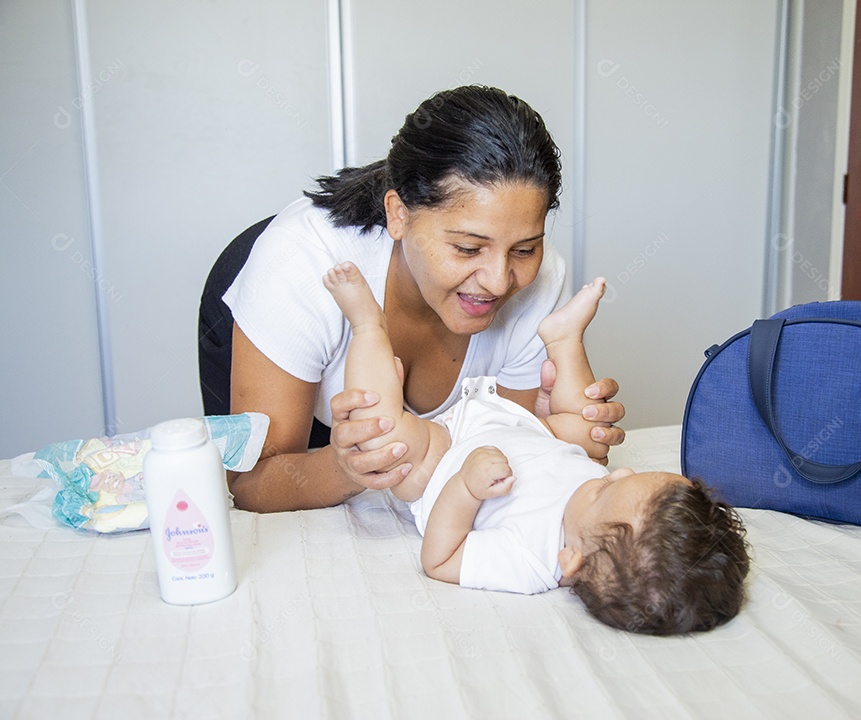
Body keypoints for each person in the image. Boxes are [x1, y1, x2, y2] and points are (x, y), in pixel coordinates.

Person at [219, 86, 625, 512]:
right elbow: (250, 485)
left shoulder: (539, 280)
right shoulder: (298, 264)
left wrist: (544, 428)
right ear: (398, 214)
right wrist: (346, 469)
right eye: (468, 249)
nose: (498, 282)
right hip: (309, 435)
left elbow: (494, 459)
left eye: (524, 249)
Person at [324, 263, 750, 635]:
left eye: (604, 490)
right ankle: (564, 339)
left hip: (441, 458)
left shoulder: (529, 561)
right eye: (627, 476)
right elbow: (581, 454)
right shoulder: (606, 512)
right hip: (522, 426)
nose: (615, 473)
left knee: (382, 440)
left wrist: (466, 489)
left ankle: (367, 326)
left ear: (572, 562)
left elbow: (440, 558)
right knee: (588, 431)